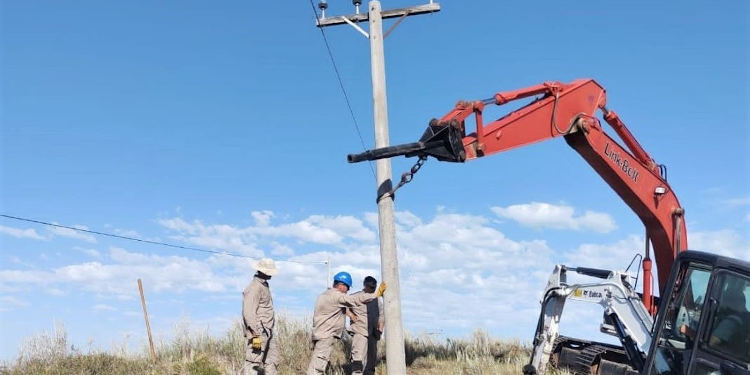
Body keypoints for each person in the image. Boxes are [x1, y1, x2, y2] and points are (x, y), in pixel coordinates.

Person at [307, 272, 386, 375]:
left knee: (317, 364)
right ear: (342, 285)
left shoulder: (323, 295)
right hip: (327, 335)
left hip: (320, 334)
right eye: (347, 287)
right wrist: (376, 294)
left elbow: (381, 315)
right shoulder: (337, 296)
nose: (348, 290)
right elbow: (354, 299)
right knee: (317, 368)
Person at [242, 258, 279, 375]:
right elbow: (248, 311)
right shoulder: (254, 287)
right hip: (258, 331)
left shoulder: (263, 285)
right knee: (253, 362)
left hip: (267, 329)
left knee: (272, 360)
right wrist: (254, 331)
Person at [346, 276, 384, 375]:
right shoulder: (356, 296)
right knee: (358, 358)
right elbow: (343, 305)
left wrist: (380, 330)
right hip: (360, 331)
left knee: (371, 361)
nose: (372, 289)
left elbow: (381, 315)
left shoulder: (377, 299)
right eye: (370, 287)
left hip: (373, 333)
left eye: (373, 287)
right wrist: (351, 315)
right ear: (365, 285)